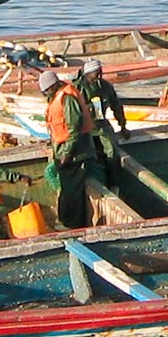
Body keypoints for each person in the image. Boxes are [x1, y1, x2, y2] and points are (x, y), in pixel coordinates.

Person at [40, 69, 103, 229]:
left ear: (54, 86)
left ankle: (72, 224)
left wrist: (67, 154)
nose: (46, 94)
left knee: (72, 190)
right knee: (68, 188)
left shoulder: (68, 98)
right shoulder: (58, 96)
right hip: (63, 149)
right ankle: (66, 220)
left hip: (75, 152)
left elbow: (74, 128)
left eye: (47, 90)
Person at [76, 59, 127, 184]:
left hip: (101, 125)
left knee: (112, 152)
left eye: (100, 73)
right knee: (87, 157)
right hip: (83, 129)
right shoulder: (77, 89)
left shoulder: (106, 87)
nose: (99, 76)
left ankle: (114, 184)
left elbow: (116, 106)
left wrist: (122, 126)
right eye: (95, 74)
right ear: (87, 74)